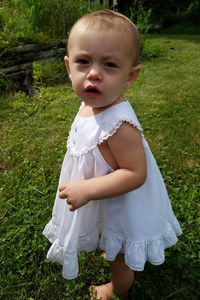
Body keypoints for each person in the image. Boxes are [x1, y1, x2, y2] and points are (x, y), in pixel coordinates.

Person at [43, 10, 182, 300]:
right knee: (108, 241)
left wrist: (88, 188)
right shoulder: (89, 105)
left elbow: (135, 173)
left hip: (121, 205)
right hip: (102, 197)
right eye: (84, 62)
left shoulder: (120, 125)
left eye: (109, 65)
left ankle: (117, 287)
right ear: (69, 68)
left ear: (130, 76)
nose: (93, 73)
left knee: (116, 255)